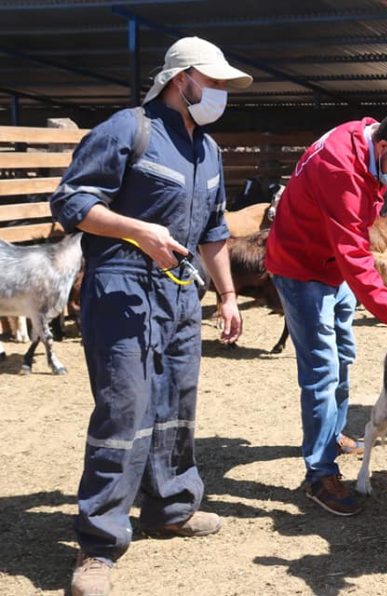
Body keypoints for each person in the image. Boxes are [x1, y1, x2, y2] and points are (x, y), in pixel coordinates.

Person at [49, 37, 252, 596]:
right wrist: (138, 230)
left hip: (182, 296)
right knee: (124, 411)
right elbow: (71, 202)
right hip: (122, 291)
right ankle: (98, 545)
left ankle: (171, 507)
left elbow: (214, 231)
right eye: (212, 83)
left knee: (176, 405)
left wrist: (228, 296)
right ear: (181, 78)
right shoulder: (127, 129)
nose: (219, 94)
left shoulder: (207, 150)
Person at [265, 110, 387, 518]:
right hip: (302, 267)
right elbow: (354, 254)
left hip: (331, 264)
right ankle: (320, 474)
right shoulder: (339, 167)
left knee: (343, 354)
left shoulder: (367, 140)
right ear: (384, 148)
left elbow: (351, 244)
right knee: (322, 370)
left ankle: (333, 434)